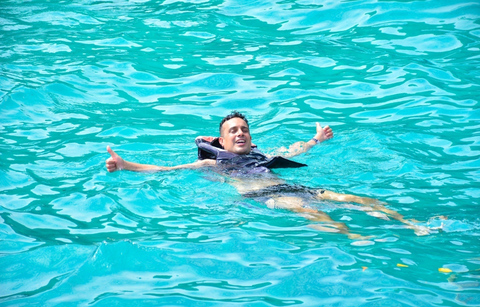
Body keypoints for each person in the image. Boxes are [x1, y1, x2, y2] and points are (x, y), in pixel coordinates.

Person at [106, 111, 429, 238]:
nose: (241, 134)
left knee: (356, 199)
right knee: (310, 212)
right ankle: (358, 240)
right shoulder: (213, 163)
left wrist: (317, 139)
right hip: (262, 196)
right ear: (220, 141)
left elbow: (294, 150)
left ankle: (413, 225)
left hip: (289, 185)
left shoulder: (261, 154)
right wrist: (125, 165)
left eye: (244, 129)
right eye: (233, 131)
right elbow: (165, 170)